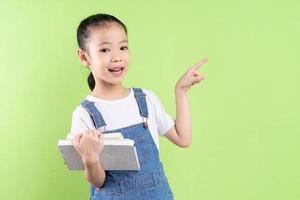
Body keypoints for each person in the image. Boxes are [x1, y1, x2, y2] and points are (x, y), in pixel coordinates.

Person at [69, 13, 207, 200]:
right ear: (84, 57)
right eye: (105, 50)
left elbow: (183, 139)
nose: (117, 57)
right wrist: (91, 158)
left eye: (123, 47)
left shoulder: (145, 99)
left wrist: (181, 91)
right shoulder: (85, 114)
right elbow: (97, 182)